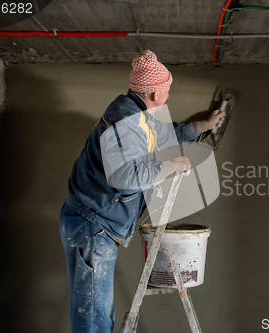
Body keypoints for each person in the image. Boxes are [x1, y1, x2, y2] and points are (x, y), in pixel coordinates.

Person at [59, 50, 224, 333]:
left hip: (94, 220)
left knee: (98, 309)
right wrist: (171, 165)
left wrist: (202, 126)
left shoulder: (135, 113)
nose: (169, 95)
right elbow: (126, 177)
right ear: (154, 93)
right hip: (92, 225)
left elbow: (163, 133)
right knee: (94, 313)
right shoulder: (126, 122)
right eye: (168, 90)